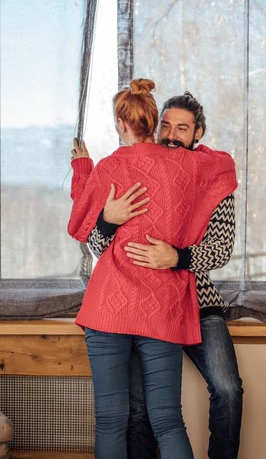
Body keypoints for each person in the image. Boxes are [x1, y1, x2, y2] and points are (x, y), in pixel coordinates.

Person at [68, 79, 237, 459]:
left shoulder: (111, 166)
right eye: (168, 126)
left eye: (183, 128)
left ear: (121, 123)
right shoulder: (189, 168)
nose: (173, 135)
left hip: (109, 307)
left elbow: (79, 224)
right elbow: (224, 165)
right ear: (154, 122)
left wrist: (83, 171)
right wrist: (109, 220)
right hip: (163, 305)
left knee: (111, 419)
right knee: (167, 419)